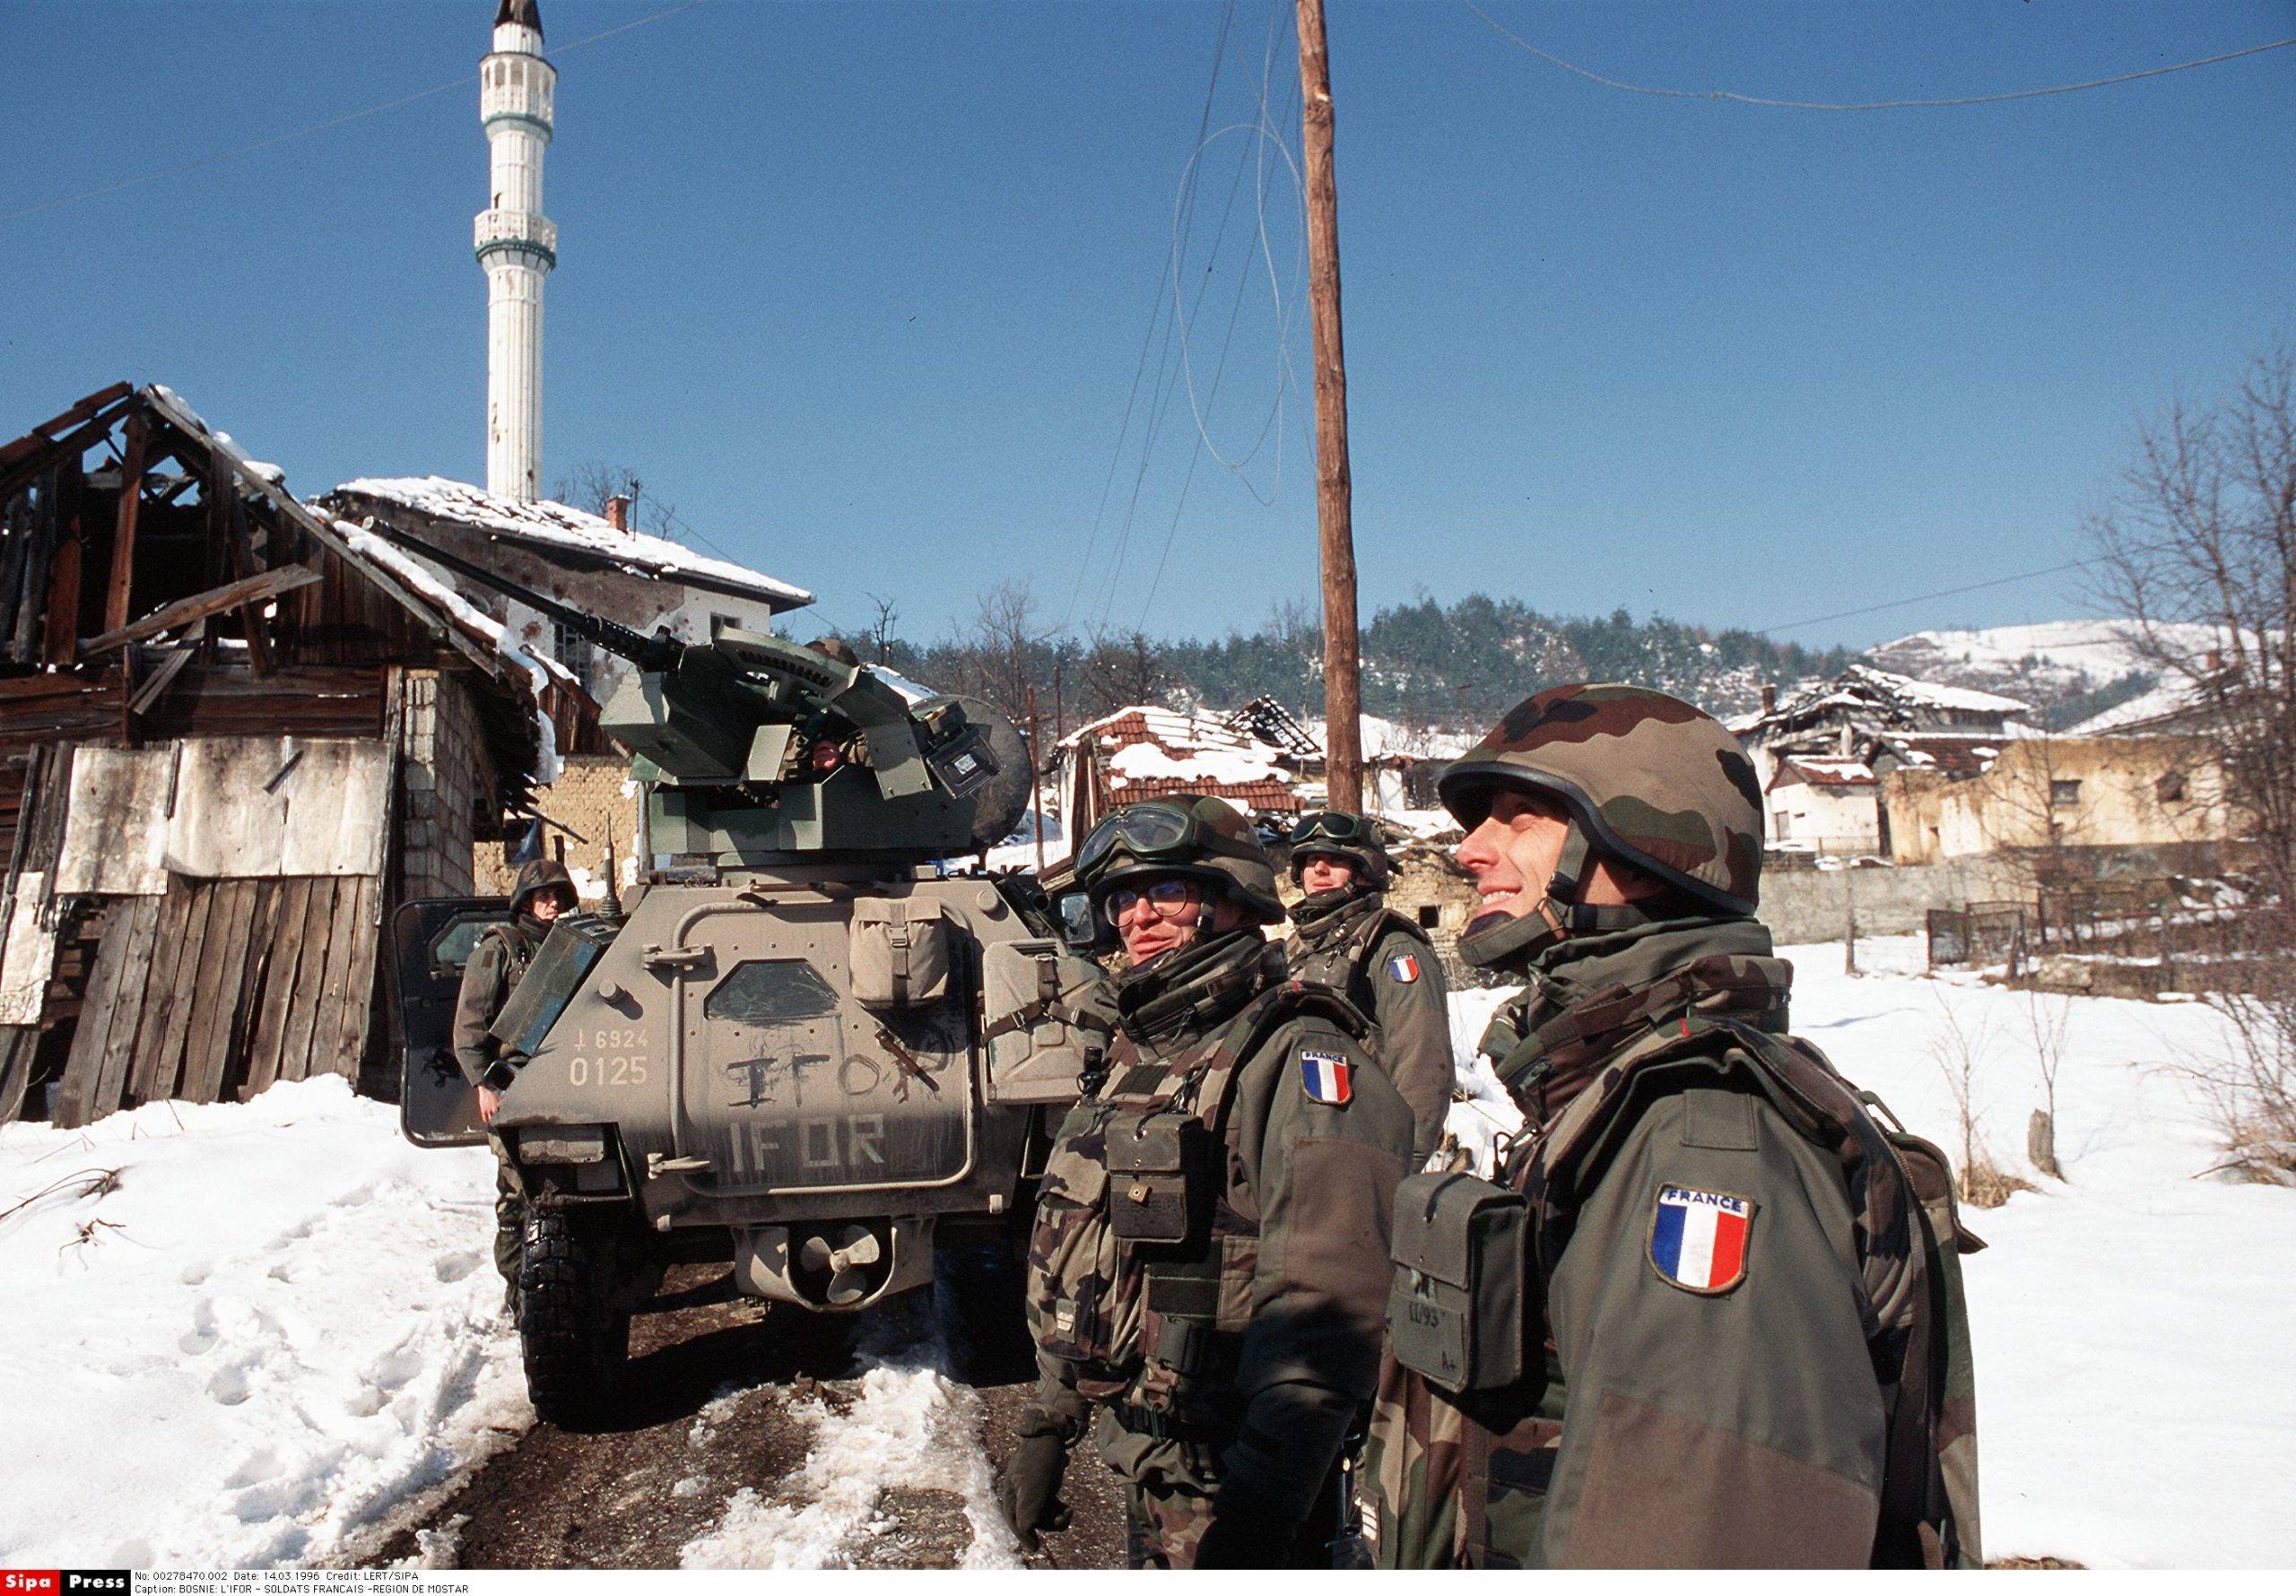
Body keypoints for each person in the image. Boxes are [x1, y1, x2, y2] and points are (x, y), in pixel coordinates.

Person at [1367, 684, 1980, 1569]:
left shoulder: (1705, 1137)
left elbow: (1700, 1531)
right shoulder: (1609, 1094)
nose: (1470, 850)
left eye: (1518, 816)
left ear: (1645, 841)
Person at [998, 796, 1417, 1568]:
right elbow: (1081, 1249)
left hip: (1239, 1487)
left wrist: (1256, 1526)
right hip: (1150, 1467)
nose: (1138, 915)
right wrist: (1051, 1421)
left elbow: (1330, 1325)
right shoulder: (1139, 1054)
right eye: (1122, 898)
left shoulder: (1297, 1059)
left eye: (1167, 891)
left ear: (1232, 900)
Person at [1283, 811, 1453, 1159]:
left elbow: (1423, 1065)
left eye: (1335, 860)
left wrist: (1402, 1164)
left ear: (1366, 870)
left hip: (1363, 1148)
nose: (1319, 870)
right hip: (1303, 1144)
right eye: (1311, 860)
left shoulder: (1392, 947)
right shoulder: (1299, 946)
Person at [451, 857, 580, 1313]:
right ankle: (521, 1295)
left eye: (557, 895)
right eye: (543, 895)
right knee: (519, 1196)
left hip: (561, 1082)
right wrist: (484, 1084)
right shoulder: (500, 946)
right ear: (525, 901)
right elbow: (469, 1028)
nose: (552, 903)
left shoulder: (568, 947)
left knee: (564, 1192)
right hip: (511, 1086)